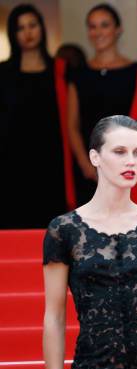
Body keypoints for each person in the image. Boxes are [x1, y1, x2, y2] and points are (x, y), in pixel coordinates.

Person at [42, 115, 137, 369]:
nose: (131, 161)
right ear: (95, 157)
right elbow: (54, 316)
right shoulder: (64, 230)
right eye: (119, 152)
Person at [67, 3, 137, 212]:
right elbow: (72, 125)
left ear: (118, 29)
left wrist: (119, 161)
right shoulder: (77, 74)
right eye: (92, 26)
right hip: (89, 170)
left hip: (125, 168)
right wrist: (87, 164)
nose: (98, 32)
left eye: (104, 25)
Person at [0, 4, 71, 228]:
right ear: (13, 33)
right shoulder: (2, 73)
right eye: (21, 28)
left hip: (51, 163)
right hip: (11, 164)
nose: (28, 32)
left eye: (33, 25)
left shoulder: (61, 71)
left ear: (42, 28)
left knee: (51, 231)